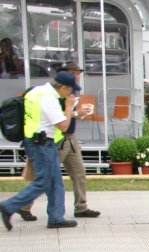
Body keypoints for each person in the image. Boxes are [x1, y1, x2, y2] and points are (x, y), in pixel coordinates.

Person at [17, 61, 100, 223]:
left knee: (79, 173)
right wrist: (76, 112)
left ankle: (81, 207)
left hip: (70, 138)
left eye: (78, 73)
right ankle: (23, 205)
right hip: (56, 139)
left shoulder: (71, 90)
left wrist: (75, 129)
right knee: (46, 178)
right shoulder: (56, 93)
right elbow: (60, 118)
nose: (77, 76)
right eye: (74, 72)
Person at [1, 71, 80, 231]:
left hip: (36, 140)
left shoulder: (37, 91)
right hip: (42, 144)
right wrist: (69, 107)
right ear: (64, 87)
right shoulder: (48, 99)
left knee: (56, 181)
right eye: (71, 89)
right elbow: (63, 126)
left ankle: (56, 217)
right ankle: (8, 206)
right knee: (43, 181)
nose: (71, 93)